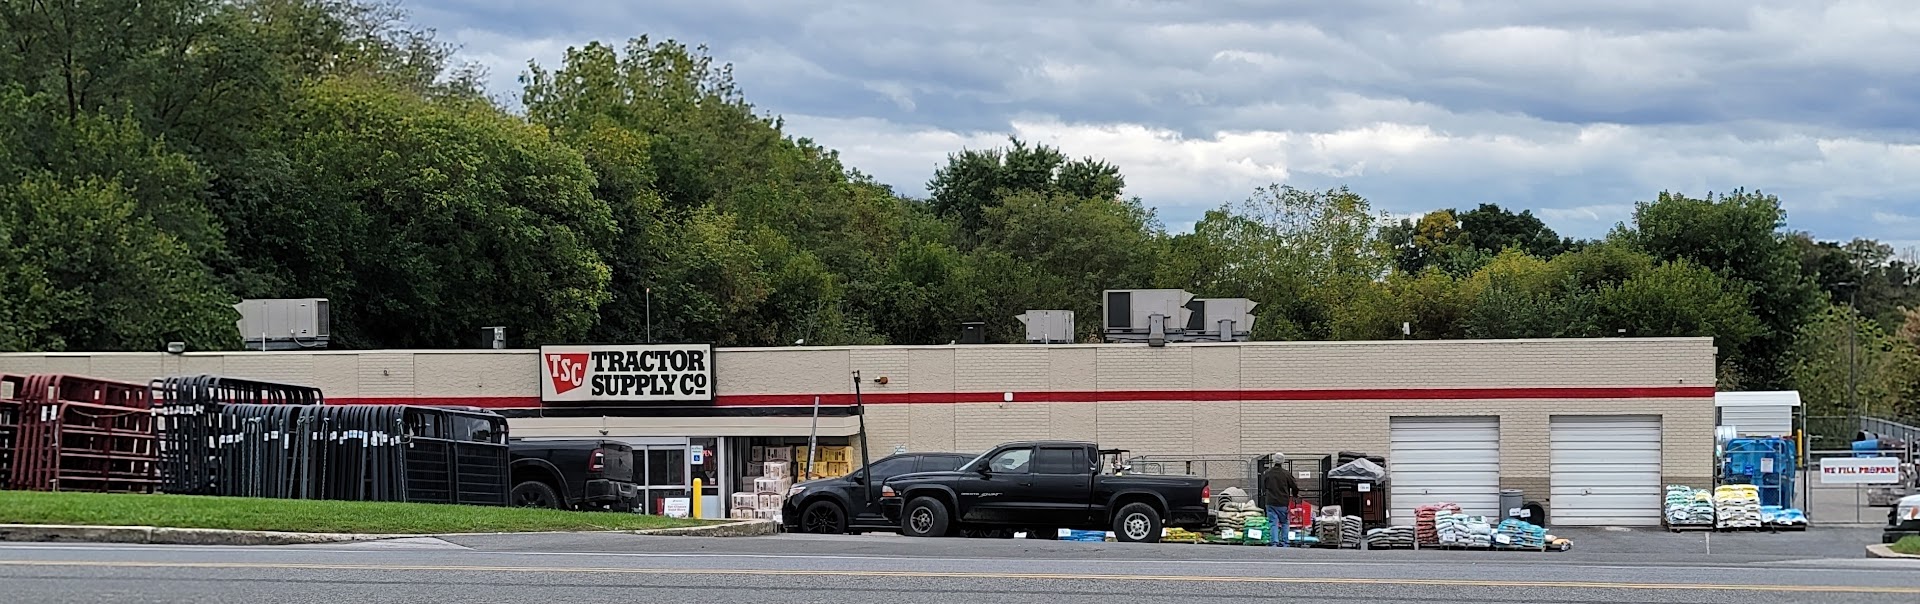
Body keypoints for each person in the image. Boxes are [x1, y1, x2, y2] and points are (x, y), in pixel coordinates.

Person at [1260, 452, 1301, 547]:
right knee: (1284, 522)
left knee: (1273, 522)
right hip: (1283, 501)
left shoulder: (1268, 473)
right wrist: (1295, 495)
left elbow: (1263, 487)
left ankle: (1274, 541)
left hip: (1270, 501)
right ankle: (1285, 541)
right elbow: (1294, 486)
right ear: (1283, 461)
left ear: (1274, 460)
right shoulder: (1286, 474)